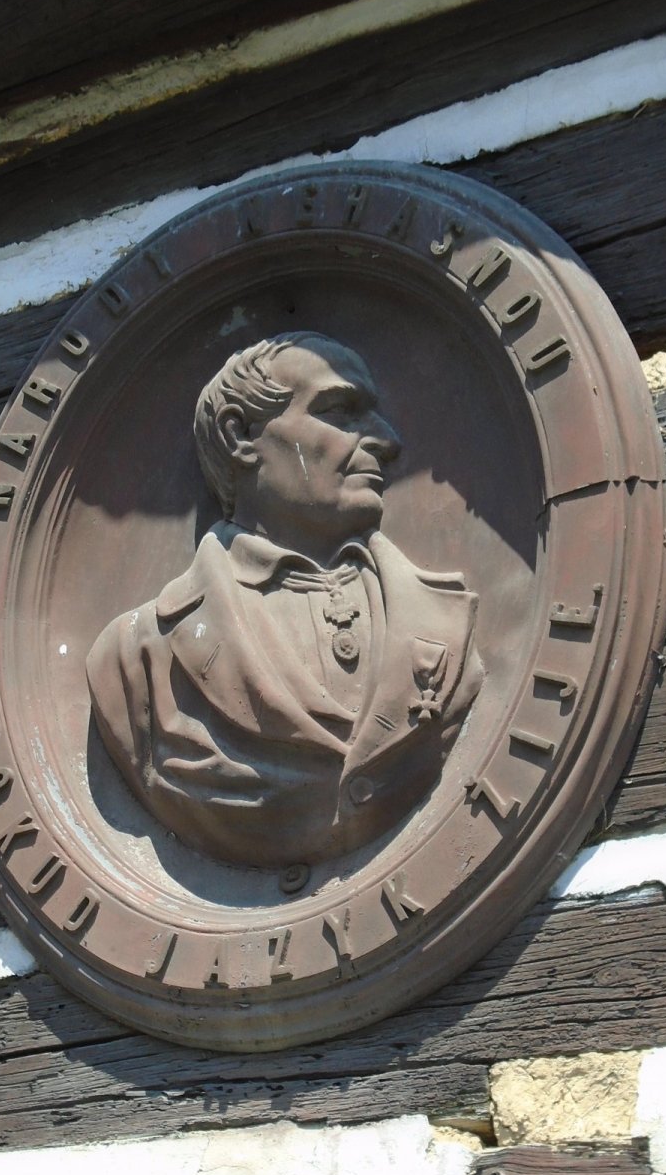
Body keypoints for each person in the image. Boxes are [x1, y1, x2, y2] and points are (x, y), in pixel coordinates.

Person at [86, 332, 483, 868]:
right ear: (240, 435)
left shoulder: (447, 625)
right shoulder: (136, 659)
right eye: (341, 412)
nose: (386, 440)